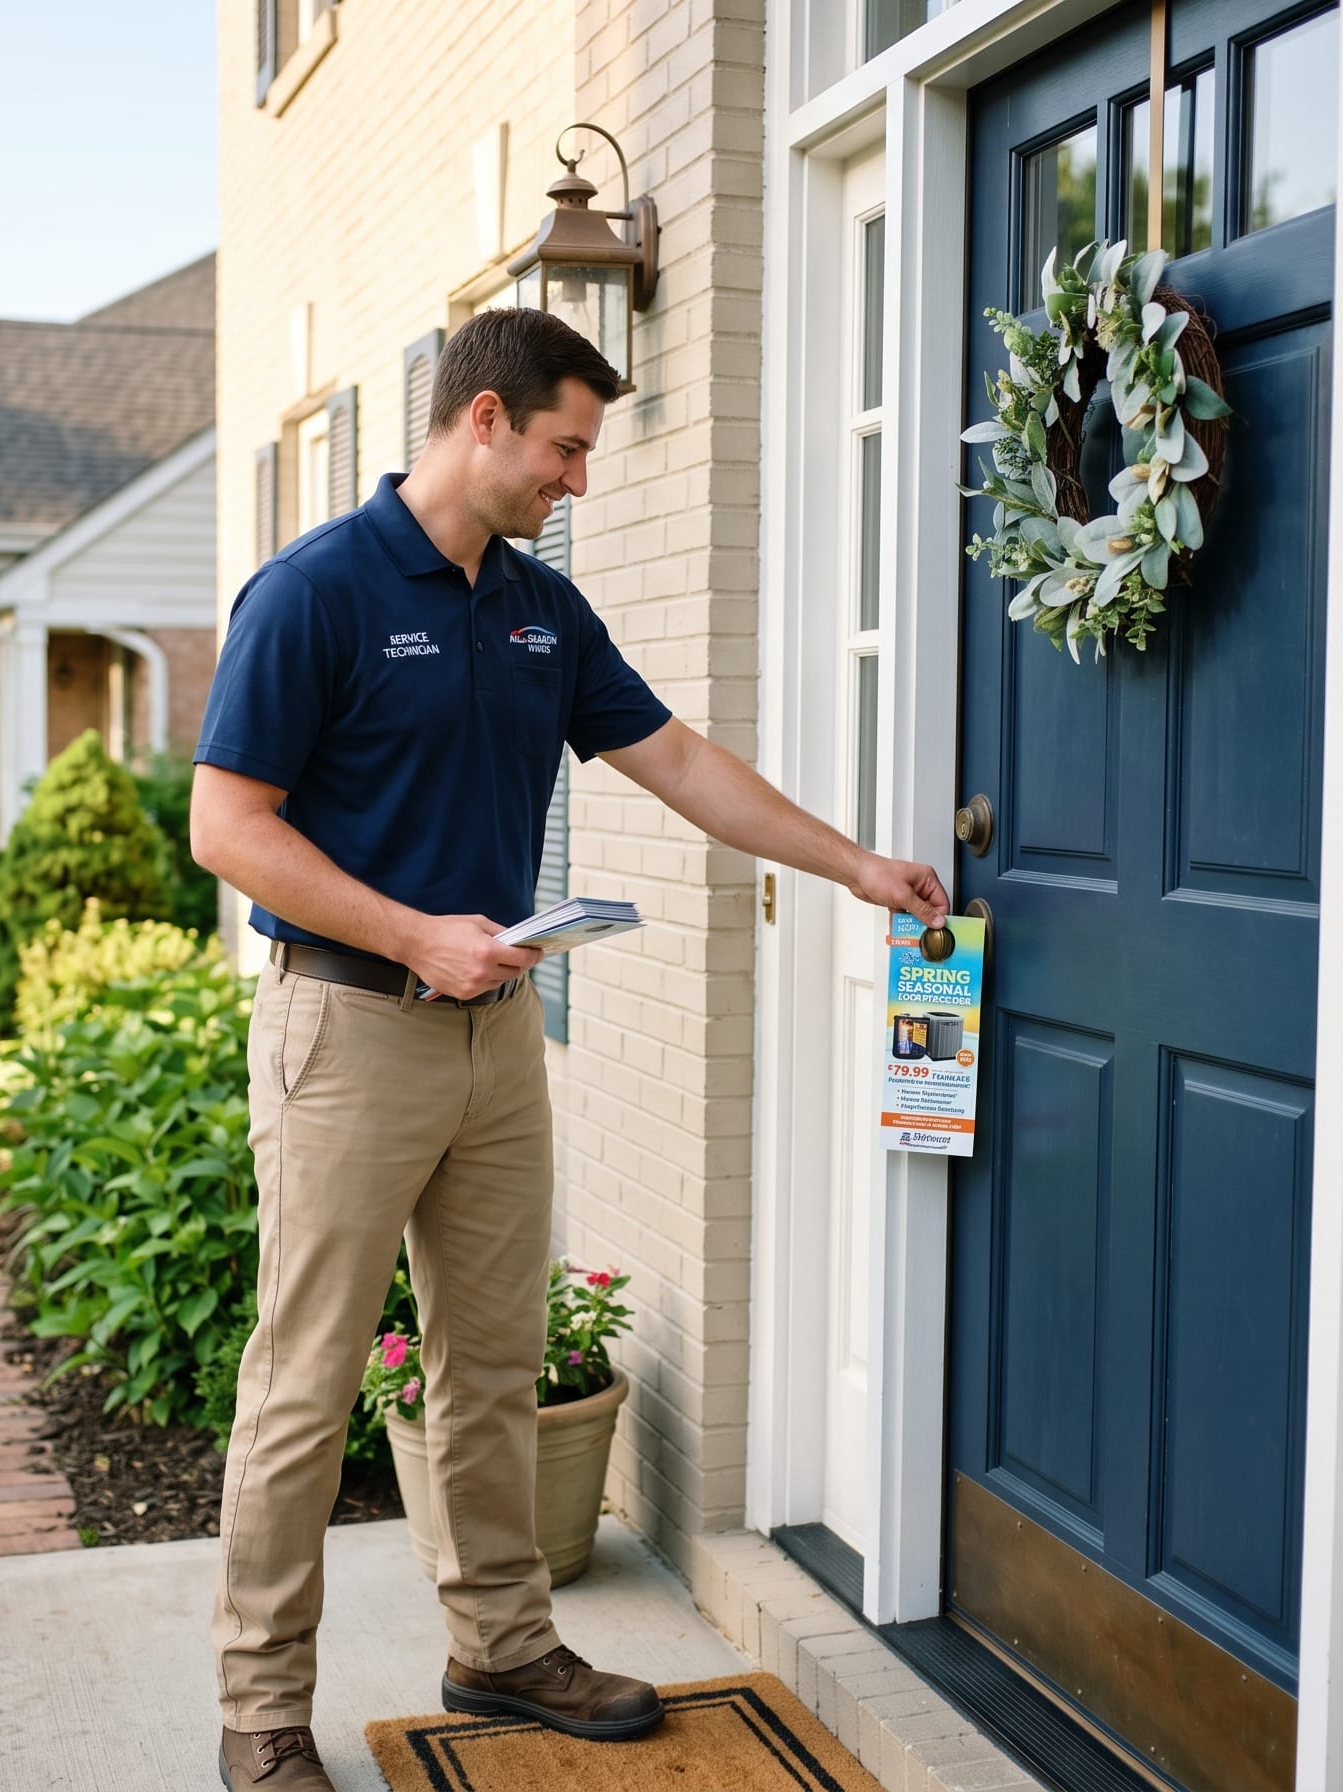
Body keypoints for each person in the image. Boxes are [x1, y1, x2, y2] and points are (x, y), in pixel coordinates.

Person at [191, 308, 948, 1789]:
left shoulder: (539, 608)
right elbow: (230, 827)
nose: (577, 479)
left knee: (493, 1361)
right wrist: (414, 933)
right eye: (564, 447)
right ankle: (260, 1711)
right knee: (306, 1381)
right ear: (482, 420)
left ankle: (502, 1641)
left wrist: (850, 864)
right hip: (346, 1029)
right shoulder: (316, 594)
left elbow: (673, 759)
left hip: (497, 1037)